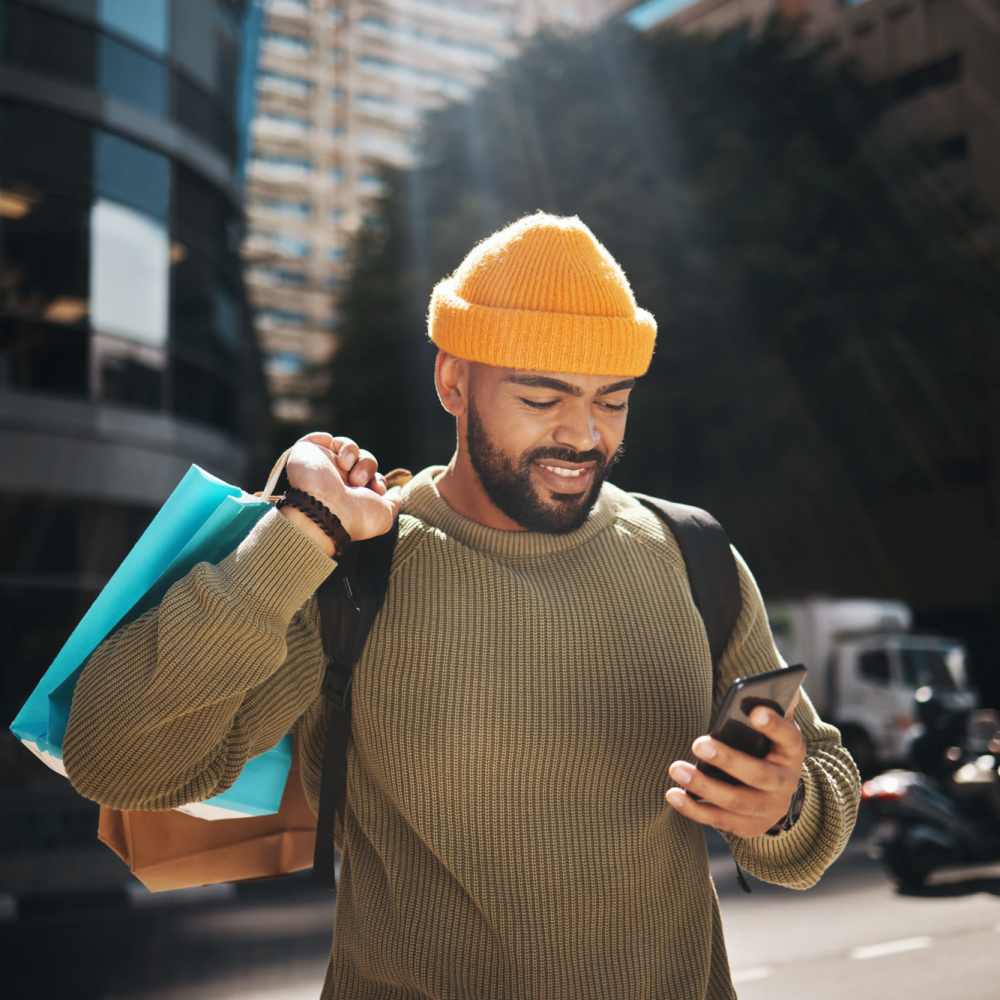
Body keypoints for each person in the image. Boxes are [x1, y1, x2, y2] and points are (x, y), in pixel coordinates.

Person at [64, 212, 861, 999]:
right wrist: (299, 536)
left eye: (612, 401)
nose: (584, 436)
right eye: (543, 398)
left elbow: (823, 783)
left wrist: (784, 805)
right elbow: (116, 762)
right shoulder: (357, 564)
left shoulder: (693, 554)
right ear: (453, 381)